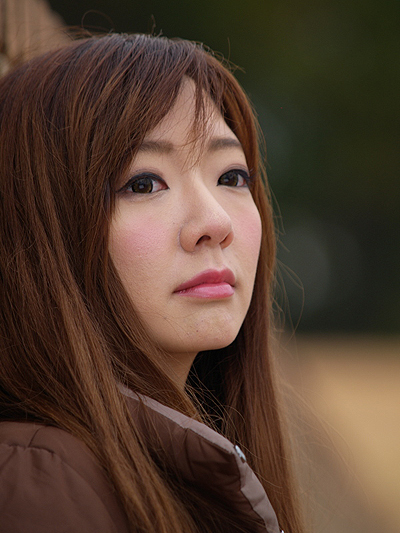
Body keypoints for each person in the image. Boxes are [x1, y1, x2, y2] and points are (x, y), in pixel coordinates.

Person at [0, 33, 303, 533]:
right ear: (39, 229)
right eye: (144, 183)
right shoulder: (38, 483)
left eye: (231, 177)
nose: (215, 222)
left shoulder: (182, 472)